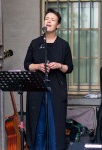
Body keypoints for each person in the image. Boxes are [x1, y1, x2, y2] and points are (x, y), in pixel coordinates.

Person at [24, 8, 73, 150]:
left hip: (56, 91)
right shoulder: (35, 43)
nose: (49, 21)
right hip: (37, 91)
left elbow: (69, 68)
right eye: (47, 18)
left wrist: (59, 65)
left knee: (55, 128)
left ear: (58, 25)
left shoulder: (63, 45)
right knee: (38, 127)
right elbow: (27, 64)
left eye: (52, 19)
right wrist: (38, 66)